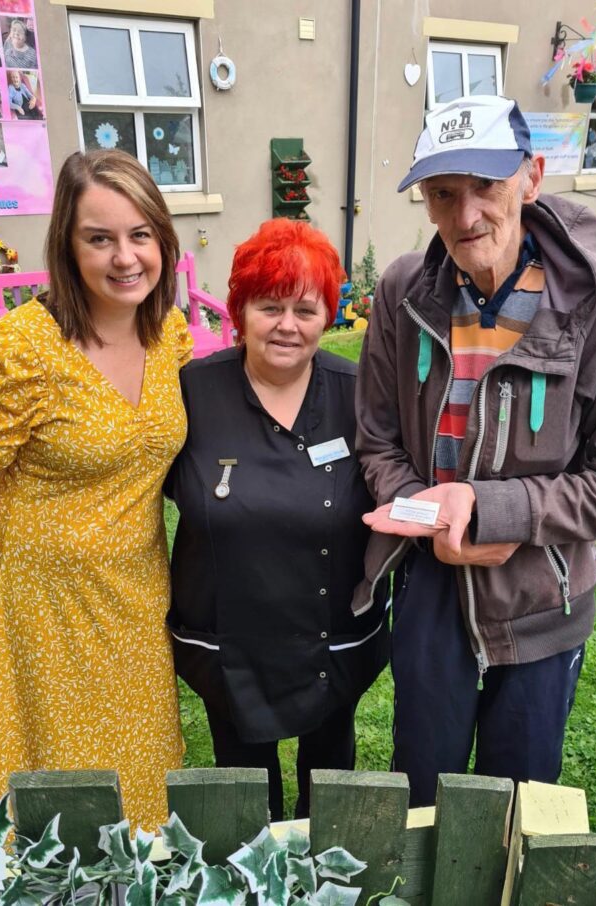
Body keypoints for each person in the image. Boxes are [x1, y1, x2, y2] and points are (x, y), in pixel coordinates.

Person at [355, 95, 596, 807]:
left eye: (486, 187)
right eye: (443, 194)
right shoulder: (404, 292)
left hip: (541, 594)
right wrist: (430, 517)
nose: (466, 216)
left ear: (531, 176)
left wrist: (495, 510)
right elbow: (375, 436)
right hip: (430, 586)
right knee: (422, 791)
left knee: (515, 800)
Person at [0, 149, 193, 831]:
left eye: (140, 234)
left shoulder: (166, 332)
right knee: (60, 772)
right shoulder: (22, 349)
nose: (125, 257)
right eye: (100, 238)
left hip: (139, 589)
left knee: (142, 761)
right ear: (67, 243)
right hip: (44, 598)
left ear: (162, 242)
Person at [166, 219, 389, 821]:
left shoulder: (358, 392)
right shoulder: (191, 393)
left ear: (328, 316)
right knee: (245, 799)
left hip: (332, 634)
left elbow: (401, 478)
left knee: (330, 784)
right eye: (269, 307)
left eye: (305, 309)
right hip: (227, 640)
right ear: (238, 312)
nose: (287, 325)